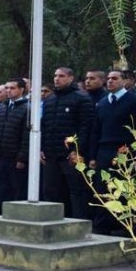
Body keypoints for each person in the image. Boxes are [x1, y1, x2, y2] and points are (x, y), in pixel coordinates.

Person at [41, 67, 96, 219]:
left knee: (76, 191)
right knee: (50, 190)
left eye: (61, 76)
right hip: (51, 154)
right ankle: (52, 222)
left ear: (71, 78)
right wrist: (42, 148)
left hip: (71, 155)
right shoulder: (50, 100)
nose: (57, 79)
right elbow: (44, 126)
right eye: (55, 76)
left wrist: (78, 150)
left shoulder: (82, 98)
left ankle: (79, 223)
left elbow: (86, 127)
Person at [89, 70, 136, 234]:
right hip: (104, 150)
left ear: (125, 81)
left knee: (124, 188)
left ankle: (125, 226)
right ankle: (103, 225)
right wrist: (93, 156)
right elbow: (96, 131)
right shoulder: (102, 103)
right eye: (108, 79)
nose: (110, 81)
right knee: (103, 188)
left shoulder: (132, 100)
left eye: (114, 78)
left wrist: (130, 149)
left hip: (125, 151)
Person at [0, 78, 30, 205]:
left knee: (17, 190)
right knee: (3, 190)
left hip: (15, 158)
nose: (8, 91)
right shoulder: (1, 108)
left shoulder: (27, 109)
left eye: (12, 88)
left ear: (21, 90)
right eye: (7, 88)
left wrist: (22, 158)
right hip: (0, 157)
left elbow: (26, 136)